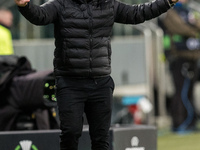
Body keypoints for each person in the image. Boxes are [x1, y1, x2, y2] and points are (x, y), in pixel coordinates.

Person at [14, 0, 179, 149]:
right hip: (70, 82)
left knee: (101, 138)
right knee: (70, 133)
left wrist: (167, 2)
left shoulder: (109, 5)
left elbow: (138, 13)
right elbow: (40, 16)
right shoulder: (60, 4)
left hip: (101, 82)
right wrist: (25, 6)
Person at [158, 0, 200, 133]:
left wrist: (192, 27)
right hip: (178, 57)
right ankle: (180, 123)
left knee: (189, 91)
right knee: (181, 91)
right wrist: (193, 29)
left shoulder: (189, 10)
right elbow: (179, 28)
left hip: (192, 57)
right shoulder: (169, 12)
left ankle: (190, 122)